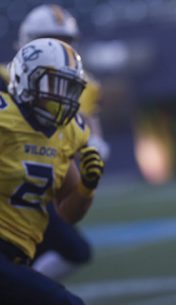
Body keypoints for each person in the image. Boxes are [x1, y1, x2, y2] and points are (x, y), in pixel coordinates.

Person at [9, 4, 109, 281]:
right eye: (47, 38)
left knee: (66, 252)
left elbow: (89, 131)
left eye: (65, 41)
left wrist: (93, 148)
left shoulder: (82, 83)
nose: (56, 46)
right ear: (26, 40)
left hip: (42, 183)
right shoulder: (7, 78)